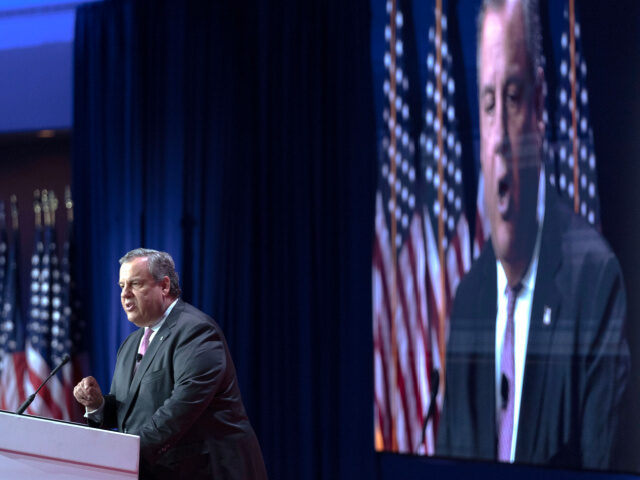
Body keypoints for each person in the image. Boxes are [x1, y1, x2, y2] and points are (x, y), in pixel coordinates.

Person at [436, 0, 629, 470]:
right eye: (487, 104)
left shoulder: (595, 281)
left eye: (515, 97)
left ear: (540, 105)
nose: (500, 133)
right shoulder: (468, 301)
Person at [74, 248, 267, 480]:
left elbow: (178, 411)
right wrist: (98, 405)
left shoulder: (196, 332)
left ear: (164, 286)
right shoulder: (130, 344)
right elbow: (129, 413)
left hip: (206, 472)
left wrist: (123, 456)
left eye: (135, 284)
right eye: (121, 285)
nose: (125, 294)